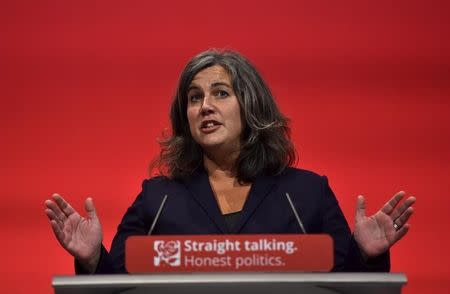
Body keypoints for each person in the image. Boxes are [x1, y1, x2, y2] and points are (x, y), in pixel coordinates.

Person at [44, 49, 415, 274]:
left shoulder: (306, 193)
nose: (204, 106)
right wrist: (92, 258)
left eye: (220, 93)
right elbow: (117, 287)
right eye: (194, 98)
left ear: (250, 104)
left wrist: (367, 255)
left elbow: (349, 287)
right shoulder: (158, 199)